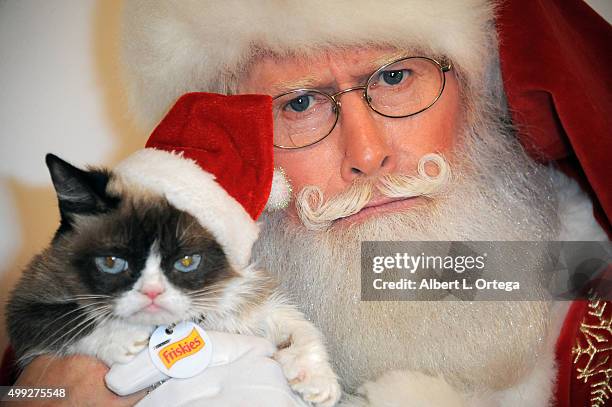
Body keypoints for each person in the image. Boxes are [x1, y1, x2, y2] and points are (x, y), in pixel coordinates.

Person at [8, 0, 611, 406]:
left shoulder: (582, 278)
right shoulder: (113, 316)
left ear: (477, 91)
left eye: (396, 76)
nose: (367, 154)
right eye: (298, 105)